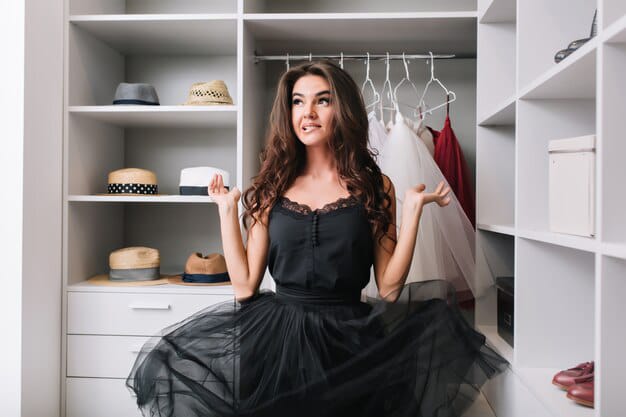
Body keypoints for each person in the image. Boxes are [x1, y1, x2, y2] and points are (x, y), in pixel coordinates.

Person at [127, 61, 507, 417]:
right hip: (277, 343)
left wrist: (412, 214)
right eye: (297, 102)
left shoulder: (377, 186)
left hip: (351, 342)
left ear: (342, 109)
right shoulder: (270, 186)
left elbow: (390, 288)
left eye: (321, 100)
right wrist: (227, 211)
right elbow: (244, 287)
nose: (307, 112)